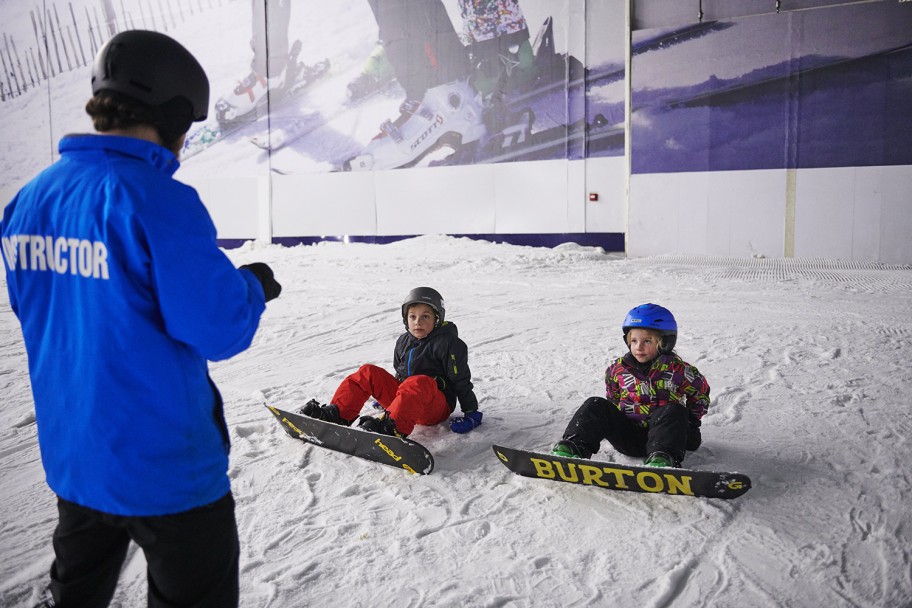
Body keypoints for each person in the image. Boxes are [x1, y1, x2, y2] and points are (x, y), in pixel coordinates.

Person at [1, 30, 282, 608]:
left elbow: (53, 309)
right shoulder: (157, 199)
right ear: (175, 113)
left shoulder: (29, 200)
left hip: (77, 460)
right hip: (166, 472)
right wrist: (251, 285)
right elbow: (218, 327)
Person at [301, 287, 482, 437]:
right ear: (406, 319)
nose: (418, 322)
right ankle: (337, 415)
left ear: (437, 318)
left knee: (418, 381)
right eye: (412, 317)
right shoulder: (404, 341)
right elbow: (400, 373)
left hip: (434, 407)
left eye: (425, 316)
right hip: (406, 401)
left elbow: (460, 379)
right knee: (367, 371)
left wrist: (471, 412)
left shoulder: (449, 343)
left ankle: (392, 427)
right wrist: (392, 400)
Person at [551, 304, 709, 468]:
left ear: (665, 342)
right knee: (595, 404)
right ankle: (574, 446)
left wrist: (688, 423)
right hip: (629, 437)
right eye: (634, 341)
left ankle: (663, 460)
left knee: (673, 409)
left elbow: (700, 396)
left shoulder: (681, 371)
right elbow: (613, 397)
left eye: (647, 341)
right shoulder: (617, 370)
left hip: (666, 438)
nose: (638, 347)